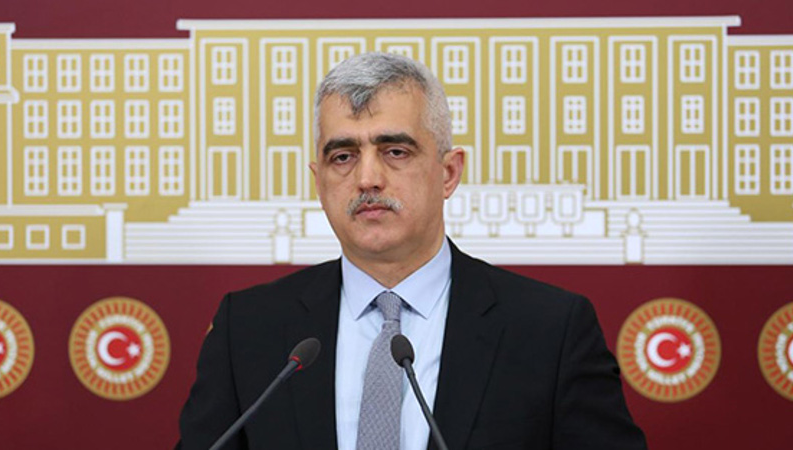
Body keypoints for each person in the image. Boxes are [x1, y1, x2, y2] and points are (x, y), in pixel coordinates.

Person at [178, 52, 647, 450]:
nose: (367, 179)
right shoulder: (249, 329)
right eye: (343, 156)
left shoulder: (550, 330)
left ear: (448, 173)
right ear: (318, 182)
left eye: (395, 151)